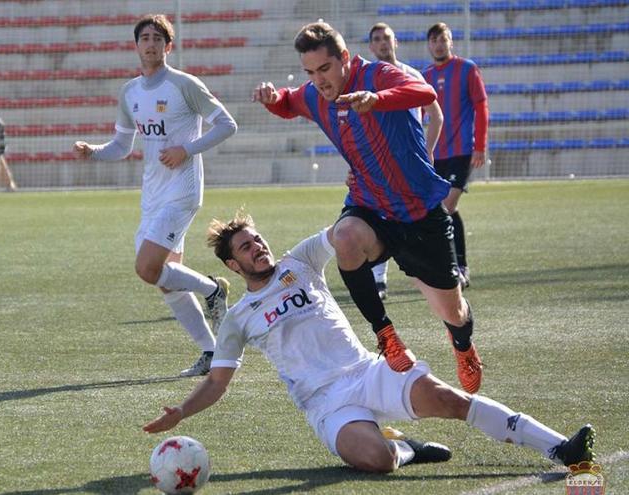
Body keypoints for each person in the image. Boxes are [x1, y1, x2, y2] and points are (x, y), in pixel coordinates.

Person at [142, 209, 596, 474]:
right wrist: (181, 411)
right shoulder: (238, 319)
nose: (258, 248)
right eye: (245, 248)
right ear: (234, 266)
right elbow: (218, 383)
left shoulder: (299, 262)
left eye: (257, 240)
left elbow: (342, 232)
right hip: (326, 405)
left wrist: (359, 204)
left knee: (452, 400)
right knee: (376, 461)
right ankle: (404, 447)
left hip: (368, 372)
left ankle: (559, 447)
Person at [252, 21, 483, 393]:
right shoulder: (315, 94)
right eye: (310, 72)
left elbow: (422, 91)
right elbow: (288, 102)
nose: (319, 80)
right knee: (343, 237)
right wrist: (272, 98)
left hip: (418, 212)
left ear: (344, 59)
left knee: (451, 312)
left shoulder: (378, 75)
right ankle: (386, 335)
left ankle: (463, 346)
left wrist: (377, 100)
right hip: (370, 206)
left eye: (325, 69)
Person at [73, 14, 237, 376]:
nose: (150, 43)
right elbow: (121, 144)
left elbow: (227, 124)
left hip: (182, 190)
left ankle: (212, 289)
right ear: (136, 45)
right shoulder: (130, 92)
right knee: (165, 279)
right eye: (144, 37)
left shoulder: (184, 84)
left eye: (157, 38)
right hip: (152, 194)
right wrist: (95, 151)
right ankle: (211, 352)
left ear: (168, 46)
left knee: (147, 268)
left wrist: (187, 149)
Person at [367, 22, 444, 300]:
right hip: (379, 163)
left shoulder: (411, 75)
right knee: (380, 215)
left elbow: (436, 115)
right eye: (377, 39)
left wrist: (430, 151)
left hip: (410, 163)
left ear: (395, 42)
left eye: (386, 37)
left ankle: (434, 273)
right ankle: (379, 279)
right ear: (371, 46)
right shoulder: (366, 79)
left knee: (421, 215)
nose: (383, 43)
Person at [423, 22, 490, 289]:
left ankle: (454, 267)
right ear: (429, 44)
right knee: (445, 210)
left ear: (451, 42)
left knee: (446, 206)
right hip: (435, 155)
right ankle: (457, 265)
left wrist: (480, 145)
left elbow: (481, 106)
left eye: (444, 39)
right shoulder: (424, 75)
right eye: (434, 40)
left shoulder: (467, 69)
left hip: (462, 151)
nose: (439, 44)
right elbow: (417, 116)